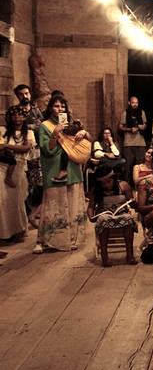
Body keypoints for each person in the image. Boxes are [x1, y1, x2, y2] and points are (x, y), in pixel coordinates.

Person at [34, 95, 88, 253]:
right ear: (50, 108)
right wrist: (55, 133)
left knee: (71, 206)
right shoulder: (45, 125)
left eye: (63, 106)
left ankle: (71, 239)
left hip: (73, 169)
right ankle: (44, 241)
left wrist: (83, 133)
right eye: (57, 106)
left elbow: (85, 142)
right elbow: (47, 149)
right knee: (53, 206)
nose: (60, 109)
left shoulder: (70, 124)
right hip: (54, 170)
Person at [87, 166, 137, 267]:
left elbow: (132, 203)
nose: (106, 185)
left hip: (121, 213)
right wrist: (90, 215)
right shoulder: (96, 190)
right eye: (103, 183)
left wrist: (133, 202)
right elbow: (91, 207)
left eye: (109, 182)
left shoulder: (123, 186)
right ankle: (105, 257)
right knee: (103, 220)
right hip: (105, 214)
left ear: (113, 179)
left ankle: (130, 255)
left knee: (128, 218)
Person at [0, 106, 34, 242]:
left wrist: (7, 146)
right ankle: (3, 233)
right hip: (2, 167)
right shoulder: (3, 131)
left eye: (20, 115)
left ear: (24, 117)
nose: (16, 118)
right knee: (2, 201)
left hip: (19, 168)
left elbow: (26, 148)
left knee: (16, 201)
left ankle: (17, 231)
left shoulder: (29, 133)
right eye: (13, 115)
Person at [14, 84, 44, 228]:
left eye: (26, 93)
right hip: (22, 152)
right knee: (27, 185)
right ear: (18, 96)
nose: (25, 96)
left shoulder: (36, 111)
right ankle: (27, 214)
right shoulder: (16, 111)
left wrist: (32, 126)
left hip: (37, 150)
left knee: (39, 183)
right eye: (21, 94)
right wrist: (33, 126)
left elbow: (42, 127)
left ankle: (36, 212)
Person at [118, 96, 147, 183]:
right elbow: (120, 127)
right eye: (133, 102)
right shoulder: (125, 113)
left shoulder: (142, 112)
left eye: (136, 103)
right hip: (129, 142)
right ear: (129, 103)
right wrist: (130, 129)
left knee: (140, 166)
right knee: (127, 166)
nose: (135, 104)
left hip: (140, 142)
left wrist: (142, 127)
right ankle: (126, 185)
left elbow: (145, 125)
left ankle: (140, 185)